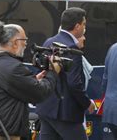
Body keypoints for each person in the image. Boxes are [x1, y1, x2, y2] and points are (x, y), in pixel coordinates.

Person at [0, 22, 59, 139]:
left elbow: (8, 86)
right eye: (24, 40)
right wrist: (53, 72)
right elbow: (40, 93)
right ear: (15, 42)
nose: (26, 44)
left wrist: (31, 81)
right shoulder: (13, 67)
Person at [36, 7, 95, 140]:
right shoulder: (72, 48)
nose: (85, 28)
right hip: (65, 113)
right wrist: (87, 103)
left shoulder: (49, 41)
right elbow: (74, 83)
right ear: (77, 26)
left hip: (46, 108)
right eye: (84, 24)